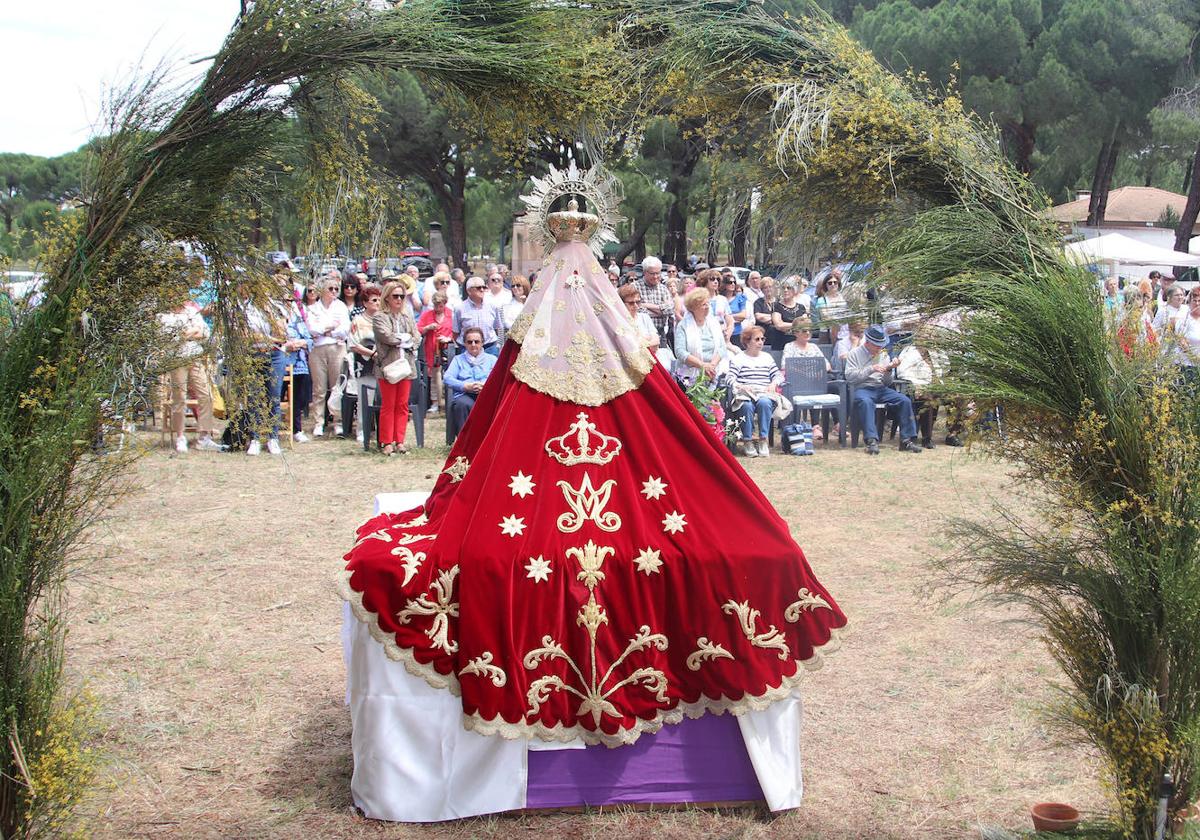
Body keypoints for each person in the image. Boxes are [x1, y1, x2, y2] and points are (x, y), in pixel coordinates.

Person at [844, 324, 921, 455]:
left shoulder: (883, 355)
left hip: (880, 388)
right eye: (876, 345)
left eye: (881, 345)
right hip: (862, 388)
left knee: (904, 400)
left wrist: (889, 370)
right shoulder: (854, 354)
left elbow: (888, 382)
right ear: (867, 343)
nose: (879, 348)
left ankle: (906, 440)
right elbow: (850, 377)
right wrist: (871, 369)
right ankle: (871, 440)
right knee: (866, 402)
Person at [159, 301, 220, 452]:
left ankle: (204, 437)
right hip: (177, 359)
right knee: (179, 397)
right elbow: (169, 337)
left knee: (206, 395)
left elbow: (205, 332)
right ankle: (180, 436)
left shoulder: (192, 311)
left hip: (196, 358)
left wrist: (189, 332)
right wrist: (193, 331)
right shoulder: (163, 316)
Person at [372, 280, 419, 455]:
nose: (399, 299)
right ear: (387, 298)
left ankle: (400, 441)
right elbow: (386, 337)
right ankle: (386, 442)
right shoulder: (379, 317)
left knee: (402, 405)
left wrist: (406, 339)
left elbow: (417, 337)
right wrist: (404, 339)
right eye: (395, 296)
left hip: (406, 367)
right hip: (388, 367)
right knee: (388, 405)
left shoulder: (408, 316)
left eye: (402, 296)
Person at [304, 271, 351, 437]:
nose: (334, 291)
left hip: (337, 348)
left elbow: (344, 329)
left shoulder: (341, 307)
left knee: (337, 386)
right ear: (322, 290)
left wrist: (327, 331)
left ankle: (337, 421)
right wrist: (329, 328)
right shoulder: (312, 308)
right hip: (318, 350)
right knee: (319, 388)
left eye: (336, 289)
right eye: (330, 288)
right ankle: (319, 421)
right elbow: (312, 329)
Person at [729, 326, 783, 457]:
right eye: (757, 339)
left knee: (764, 403)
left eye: (762, 339)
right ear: (747, 341)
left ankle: (763, 440)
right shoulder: (739, 358)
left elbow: (778, 375)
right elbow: (729, 378)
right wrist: (740, 386)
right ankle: (747, 441)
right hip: (746, 393)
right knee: (746, 406)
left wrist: (773, 383)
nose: (761, 342)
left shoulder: (767, 357)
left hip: (764, 391)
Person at [444, 326, 497, 430]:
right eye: (469, 342)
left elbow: (498, 379)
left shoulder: (492, 360)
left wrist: (485, 385)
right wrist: (465, 386)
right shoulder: (458, 360)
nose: (473, 345)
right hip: (464, 394)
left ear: (482, 342)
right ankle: (464, 443)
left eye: (476, 341)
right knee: (462, 404)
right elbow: (447, 378)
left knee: (492, 404)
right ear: (465, 344)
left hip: (486, 394)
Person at [674, 287, 726, 380]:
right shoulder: (683, 325)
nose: (707, 307)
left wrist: (712, 366)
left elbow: (722, 348)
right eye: (703, 304)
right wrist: (702, 365)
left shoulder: (714, 323)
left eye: (708, 303)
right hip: (689, 375)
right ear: (693, 307)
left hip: (713, 372)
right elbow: (680, 352)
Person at [283, 290, 314, 443]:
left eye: (291, 300)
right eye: (285, 301)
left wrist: (301, 343)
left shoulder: (297, 318)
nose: (289, 304)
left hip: (299, 364)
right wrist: (286, 346)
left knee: (298, 398)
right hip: (280, 362)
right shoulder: (275, 318)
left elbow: (309, 339)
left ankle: (297, 429)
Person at [417, 290, 454, 413]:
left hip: (447, 349)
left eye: (441, 305)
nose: (438, 308)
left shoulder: (451, 314)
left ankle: (446, 402)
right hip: (432, 350)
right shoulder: (427, 315)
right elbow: (418, 330)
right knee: (434, 376)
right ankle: (434, 402)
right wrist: (428, 328)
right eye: (436, 306)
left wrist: (448, 339)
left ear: (445, 303)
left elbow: (456, 331)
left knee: (447, 375)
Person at [453, 277, 504, 355]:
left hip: (489, 348)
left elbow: (497, 329)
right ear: (469, 291)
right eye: (478, 288)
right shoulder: (459, 309)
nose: (482, 290)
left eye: (484, 287)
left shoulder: (493, 306)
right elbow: (456, 333)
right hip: (467, 349)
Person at [635, 256, 674, 342]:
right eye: (652, 273)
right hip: (642, 333)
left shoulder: (663, 289)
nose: (656, 276)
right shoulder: (635, 287)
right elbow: (637, 311)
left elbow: (670, 310)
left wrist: (646, 305)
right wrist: (661, 311)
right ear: (644, 272)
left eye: (658, 273)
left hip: (661, 332)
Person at [695, 269, 734, 341]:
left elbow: (730, 321)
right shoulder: (698, 300)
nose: (716, 282)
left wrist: (728, 334)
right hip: (704, 337)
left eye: (718, 279)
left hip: (722, 337)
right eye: (712, 279)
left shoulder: (722, 299)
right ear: (704, 282)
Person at [770, 277, 807, 352]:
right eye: (783, 288)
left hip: (798, 345)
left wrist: (786, 326)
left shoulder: (801, 307)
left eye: (788, 288)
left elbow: (805, 325)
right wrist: (797, 325)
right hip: (780, 345)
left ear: (794, 290)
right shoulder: (776, 306)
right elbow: (779, 325)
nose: (785, 290)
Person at [618, 283, 660, 348]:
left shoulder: (645, 317)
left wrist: (640, 342)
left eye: (638, 302)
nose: (636, 306)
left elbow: (656, 341)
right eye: (631, 303)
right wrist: (647, 338)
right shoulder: (619, 321)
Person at [813, 272, 850, 344]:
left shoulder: (844, 298)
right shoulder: (821, 300)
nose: (833, 284)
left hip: (844, 333)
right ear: (825, 285)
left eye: (835, 282)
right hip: (827, 334)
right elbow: (825, 317)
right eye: (830, 283)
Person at [723, 277, 748, 347]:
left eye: (734, 282)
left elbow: (743, 316)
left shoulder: (740, 298)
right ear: (724, 284)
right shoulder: (720, 299)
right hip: (723, 333)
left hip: (737, 333)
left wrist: (726, 316)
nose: (733, 284)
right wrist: (735, 318)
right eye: (730, 282)